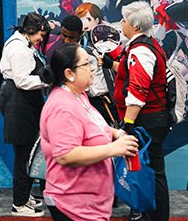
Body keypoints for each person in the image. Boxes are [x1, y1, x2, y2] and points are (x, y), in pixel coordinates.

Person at [40, 43, 138, 221]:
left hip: (89, 205)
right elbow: (65, 155)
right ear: (69, 73)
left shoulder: (79, 96)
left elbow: (90, 126)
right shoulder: (62, 107)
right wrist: (113, 149)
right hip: (74, 206)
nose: (93, 68)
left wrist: (115, 133)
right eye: (86, 64)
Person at [112, 1, 175, 221]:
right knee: (151, 170)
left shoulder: (140, 50)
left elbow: (138, 90)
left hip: (146, 120)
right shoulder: (147, 46)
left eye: (124, 20)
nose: (121, 23)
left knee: (152, 172)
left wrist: (128, 123)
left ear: (135, 25)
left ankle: (154, 216)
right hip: (151, 119)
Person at [0, 12, 50, 217]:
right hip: (18, 103)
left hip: (23, 102)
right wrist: (46, 81)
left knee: (28, 153)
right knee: (24, 156)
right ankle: (19, 203)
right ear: (31, 30)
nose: (41, 39)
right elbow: (22, 81)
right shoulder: (18, 48)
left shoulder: (24, 44)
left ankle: (23, 195)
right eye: (40, 35)